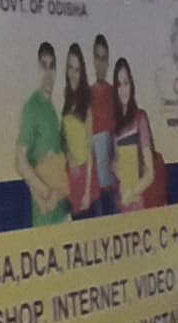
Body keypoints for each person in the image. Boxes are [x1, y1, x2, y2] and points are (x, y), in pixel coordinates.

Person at [16, 42, 71, 226]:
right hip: (46, 215)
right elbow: (20, 161)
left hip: (63, 208)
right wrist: (46, 192)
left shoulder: (51, 107)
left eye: (52, 66)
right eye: (43, 66)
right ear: (37, 70)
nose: (48, 73)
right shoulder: (32, 107)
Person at [107, 57, 169, 211]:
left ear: (132, 85)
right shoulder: (115, 124)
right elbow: (118, 164)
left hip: (140, 201)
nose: (123, 89)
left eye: (126, 83)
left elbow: (150, 173)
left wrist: (132, 193)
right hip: (123, 200)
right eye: (119, 84)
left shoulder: (140, 118)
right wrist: (115, 167)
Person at [60, 42, 99, 219]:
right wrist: (70, 158)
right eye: (70, 68)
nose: (73, 74)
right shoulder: (66, 97)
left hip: (86, 175)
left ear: (82, 72)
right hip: (72, 174)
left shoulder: (86, 101)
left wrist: (87, 192)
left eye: (77, 70)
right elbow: (66, 137)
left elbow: (90, 149)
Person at [86, 35, 120, 218]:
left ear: (108, 62)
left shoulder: (115, 94)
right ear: (93, 61)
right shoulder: (87, 96)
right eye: (97, 58)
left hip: (114, 183)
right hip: (95, 185)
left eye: (104, 58)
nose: (101, 63)